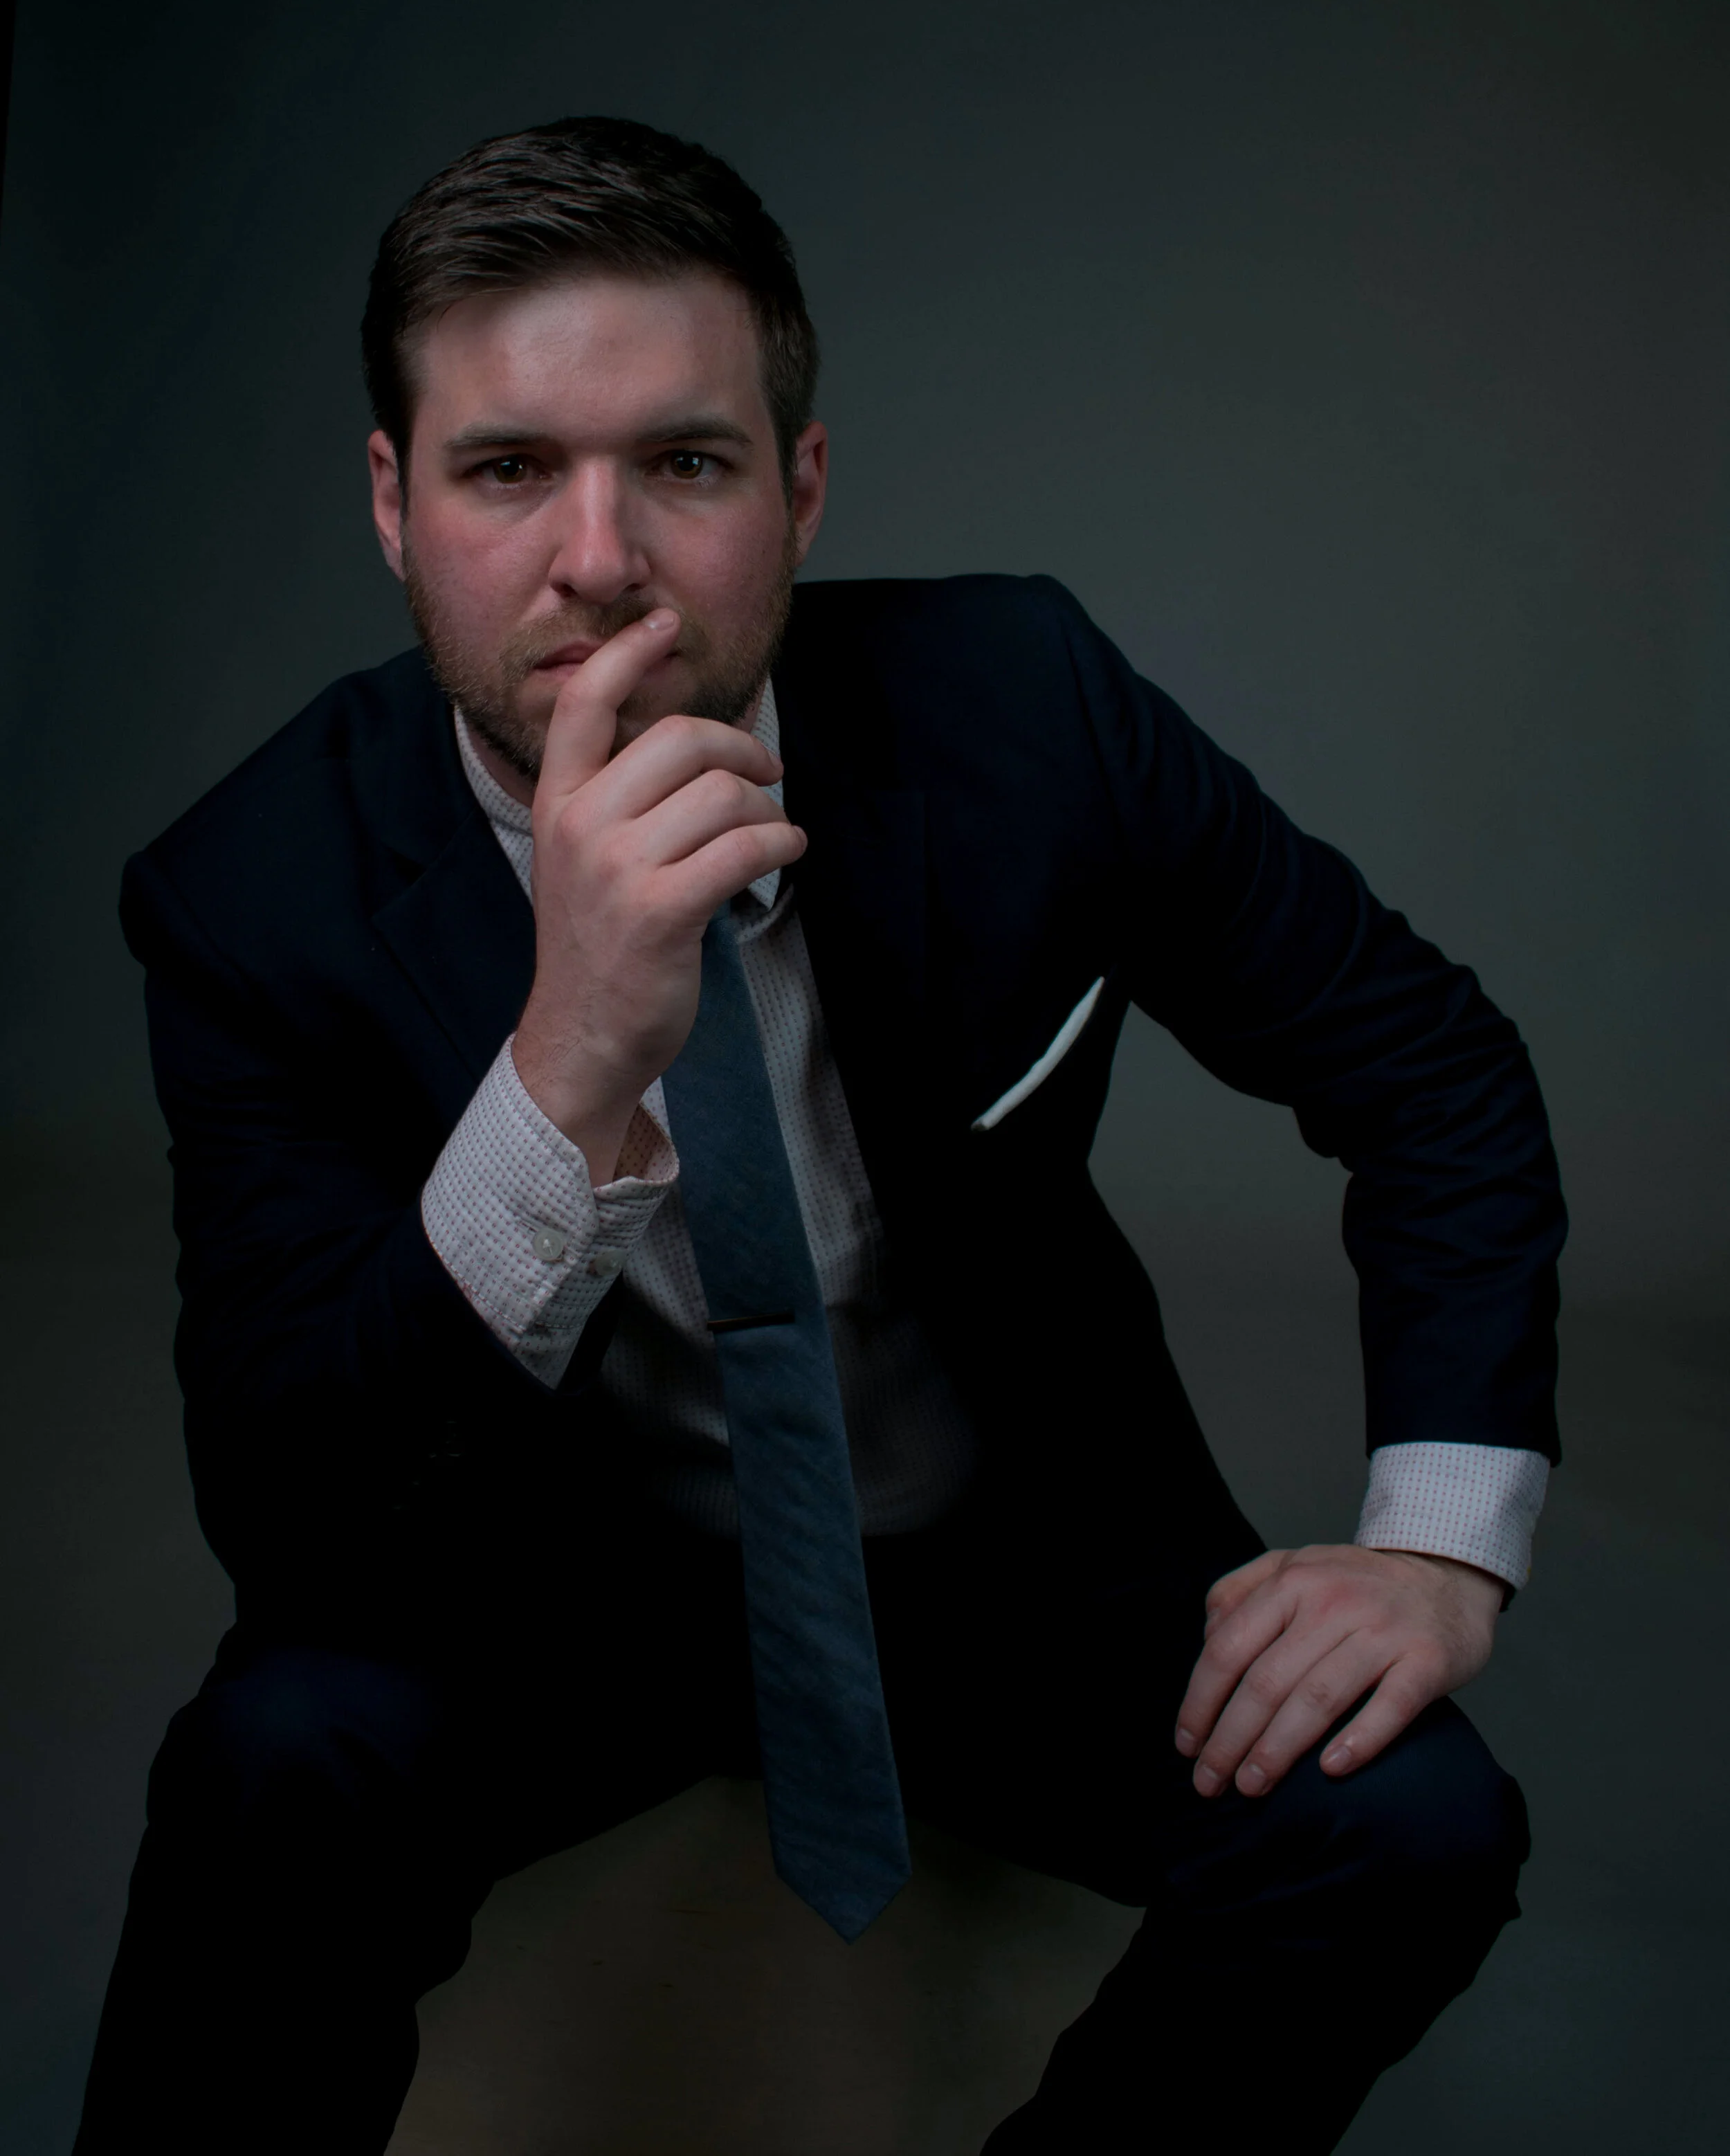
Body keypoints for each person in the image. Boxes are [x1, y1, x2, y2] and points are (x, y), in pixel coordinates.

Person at [74, 116, 1563, 2154]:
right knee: (271, 1764)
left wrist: (1436, 1542)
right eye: (508, 470)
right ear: (395, 504)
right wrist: (565, 1061)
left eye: (684, 464)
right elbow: (291, 1498)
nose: (599, 559)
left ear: (801, 487)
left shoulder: (1026, 705)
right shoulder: (251, 893)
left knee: (1417, 1822)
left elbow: (1428, 1065)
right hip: (532, 1599)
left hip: (997, 1573)